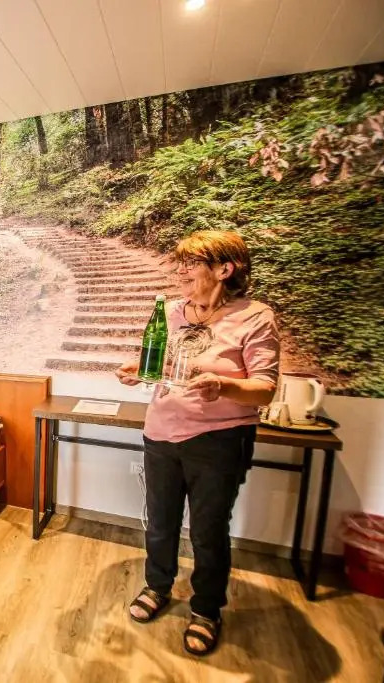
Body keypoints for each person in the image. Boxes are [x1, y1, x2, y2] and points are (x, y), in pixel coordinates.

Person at [115, 230, 279, 656]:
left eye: (191, 263)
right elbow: (165, 365)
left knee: (208, 530)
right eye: (180, 263)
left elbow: (265, 388)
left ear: (225, 269)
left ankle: (206, 609)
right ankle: (158, 586)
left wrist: (223, 386)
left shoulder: (255, 317)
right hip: (160, 431)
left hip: (219, 440)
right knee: (160, 521)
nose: (181, 271)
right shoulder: (171, 312)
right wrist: (139, 368)